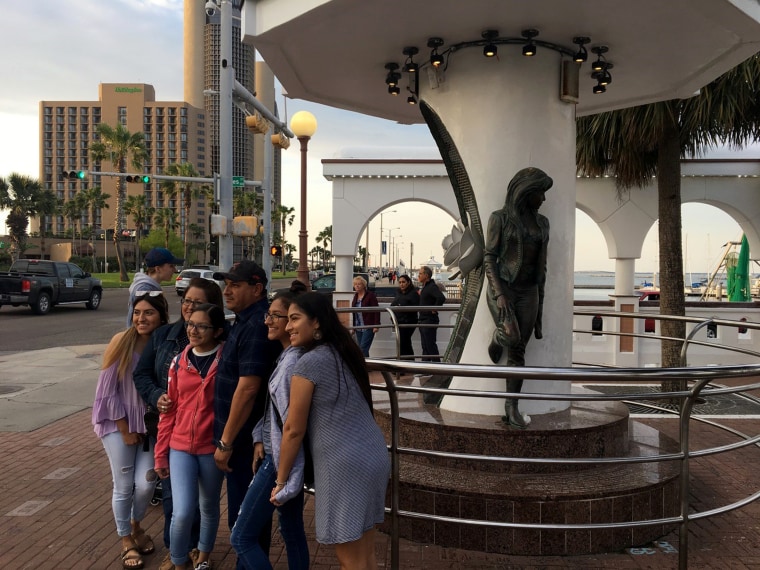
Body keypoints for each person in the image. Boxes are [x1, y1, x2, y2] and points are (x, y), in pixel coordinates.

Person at [273, 292, 390, 570]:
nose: (288, 326)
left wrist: (280, 481)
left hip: (343, 465)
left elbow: (292, 429)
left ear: (316, 323)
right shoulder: (344, 352)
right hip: (372, 455)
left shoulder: (308, 363)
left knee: (349, 559)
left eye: (294, 318)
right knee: (364, 555)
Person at [133, 278, 224, 570]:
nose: (189, 308)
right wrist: (157, 395)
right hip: (178, 439)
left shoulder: (225, 350)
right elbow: (142, 375)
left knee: (207, 506)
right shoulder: (166, 339)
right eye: (186, 300)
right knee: (178, 506)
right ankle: (177, 554)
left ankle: (202, 552)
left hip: (210, 443)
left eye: (197, 303)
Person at [230, 285, 309, 569]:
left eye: (276, 316)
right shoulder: (287, 357)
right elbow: (274, 412)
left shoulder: (292, 364)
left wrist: (281, 476)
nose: (268, 321)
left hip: (279, 461)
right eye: (269, 314)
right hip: (278, 454)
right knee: (291, 531)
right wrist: (258, 437)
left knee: (241, 537)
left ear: (292, 321)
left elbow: (291, 427)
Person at [92, 291, 170, 569]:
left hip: (149, 427)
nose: (141, 318)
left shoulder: (164, 345)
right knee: (124, 486)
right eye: (137, 312)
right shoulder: (121, 342)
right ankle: (126, 539)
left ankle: (136, 525)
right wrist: (124, 429)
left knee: (148, 483)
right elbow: (107, 391)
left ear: (161, 316)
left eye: (148, 312)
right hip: (117, 424)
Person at [211, 260, 281, 558]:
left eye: (235, 285)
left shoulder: (255, 326)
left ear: (257, 289)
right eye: (226, 285)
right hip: (242, 439)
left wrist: (226, 442)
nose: (227, 291)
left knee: (244, 524)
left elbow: (249, 388)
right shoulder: (244, 320)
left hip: (243, 443)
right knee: (245, 519)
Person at [155, 304, 227, 570]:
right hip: (180, 447)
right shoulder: (178, 362)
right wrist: (161, 454)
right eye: (190, 324)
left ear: (217, 330)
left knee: (208, 507)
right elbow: (169, 410)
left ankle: (204, 557)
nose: (193, 330)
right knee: (182, 511)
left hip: (211, 448)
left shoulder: (226, 360)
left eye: (201, 326)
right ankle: (178, 560)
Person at [483, 167, 551, 429]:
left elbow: (542, 268)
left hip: (529, 290)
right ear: (527, 192)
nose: (544, 199)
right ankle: (498, 336)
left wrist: (540, 312)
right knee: (511, 336)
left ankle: (511, 407)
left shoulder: (542, 223)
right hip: (504, 287)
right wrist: (499, 294)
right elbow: (489, 257)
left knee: (519, 349)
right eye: (541, 193)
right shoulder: (499, 219)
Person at [127, 247, 183, 327]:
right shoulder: (144, 290)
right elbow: (140, 324)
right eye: (171, 266)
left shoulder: (149, 287)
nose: (174, 270)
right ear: (158, 269)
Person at [417, 266, 446, 362]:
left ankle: (437, 368)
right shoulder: (426, 287)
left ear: (426, 275)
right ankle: (426, 368)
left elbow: (441, 298)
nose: (418, 275)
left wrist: (435, 308)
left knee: (430, 345)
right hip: (423, 319)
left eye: (420, 273)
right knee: (425, 346)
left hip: (429, 319)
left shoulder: (431, 287)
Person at [390, 274, 419, 360]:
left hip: (409, 321)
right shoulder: (398, 292)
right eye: (400, 282)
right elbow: (393, 304)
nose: (401, 284)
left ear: (408, 282)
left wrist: (401, 306)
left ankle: (402, 364)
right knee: (405, 342)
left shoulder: (413, 293)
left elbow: (415, 307)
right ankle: (409, 362)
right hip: (399, 321)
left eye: (403, 282)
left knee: (403, 342)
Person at [351, 275, 380, 357]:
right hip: (358, 326)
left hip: (368, 325)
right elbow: (354, 312)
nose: (357, 286)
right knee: (362, 348)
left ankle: (362, 367)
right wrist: (353, 327)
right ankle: (367, 366)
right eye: (355, 284)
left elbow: (376, 310)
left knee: (363, 348)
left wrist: (376, 325)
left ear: (364, 285)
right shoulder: (355, 296)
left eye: (359, 284)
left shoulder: (370, 296)